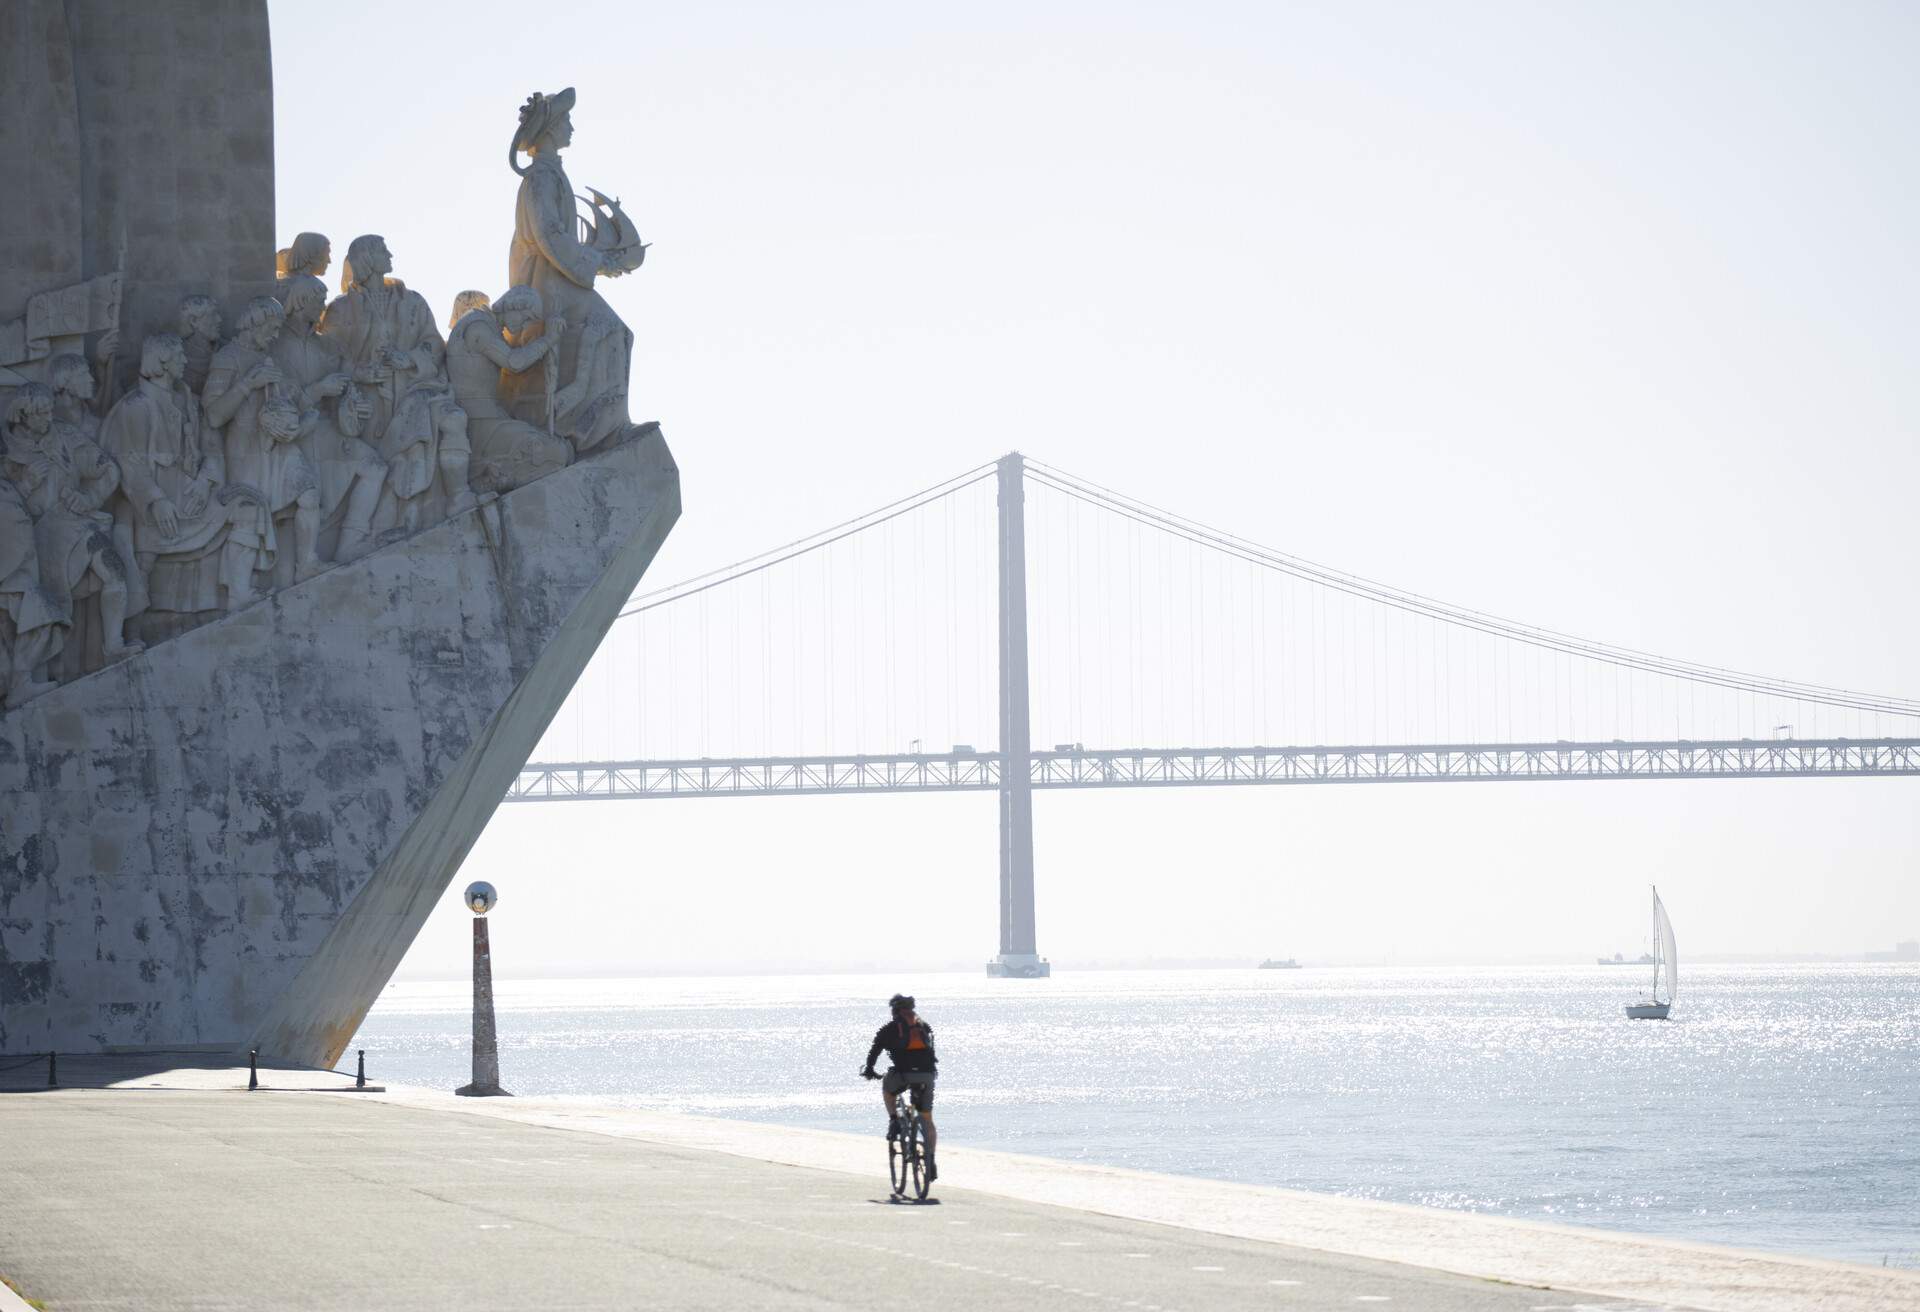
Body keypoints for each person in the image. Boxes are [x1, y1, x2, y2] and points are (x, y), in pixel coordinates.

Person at [862, 993, 939, 1181]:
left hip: (903, 1075)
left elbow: (875, 1050)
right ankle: (930, 1160)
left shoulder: (890, 1028)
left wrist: (870, 1070)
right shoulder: (924, 1026)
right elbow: (931, 1053)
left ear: (894, 1010)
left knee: (888, 1089)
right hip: (927, 1076)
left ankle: (894, 1120)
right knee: (927, 1119)